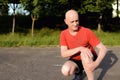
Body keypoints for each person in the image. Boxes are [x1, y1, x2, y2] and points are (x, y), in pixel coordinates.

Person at [60, 9, 107, 80]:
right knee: (66, 70)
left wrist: (95, 64)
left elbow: (103, 49)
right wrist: (80, 48)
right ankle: (78, 72)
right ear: (66, 21)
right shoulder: (63, 34)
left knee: (84, 55)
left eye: (77, 20)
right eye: (72, 22)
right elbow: (63, 53)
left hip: (89, 57)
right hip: (75, 59)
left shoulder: (87, 32)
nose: (75, 24)